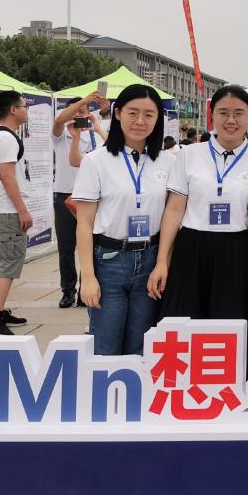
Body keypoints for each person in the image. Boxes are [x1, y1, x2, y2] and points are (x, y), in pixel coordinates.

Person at [149, 85, 248, 374]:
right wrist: (162, 261)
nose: (231, 120)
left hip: (236, 251)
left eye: (239, 113)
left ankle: (231, 386)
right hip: (192, 248)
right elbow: (174, 209)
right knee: (185, 325)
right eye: (223, 113)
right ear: (212, 116)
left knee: (232, 327)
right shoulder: (189, 155)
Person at [72, 84, 175, 356]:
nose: (140, 121)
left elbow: (171, 217)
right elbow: (84, 223)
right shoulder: (96, 161)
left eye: (149, 114)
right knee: (105, 347)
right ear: (117, 114)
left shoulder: (168, 162)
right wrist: (88, 277)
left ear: (158, 119)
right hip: (110, 261)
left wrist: (163, 263)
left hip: (151, 261)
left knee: (142, 348)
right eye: (133, 113)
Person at [51, 92, 109, 308]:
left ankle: (87, 288)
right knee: (66, 247)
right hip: (66, 194)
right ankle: (68, 290)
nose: (80, 115)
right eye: (76, 111)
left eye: (84, 111)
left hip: (93, 198)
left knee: (92, 245)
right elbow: (59, 120)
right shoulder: (62, 133)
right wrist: (84, 101)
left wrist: (98, 125)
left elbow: (114, 150)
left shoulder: (96, 133)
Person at [0, 91, 33, 336]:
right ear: (13, 109)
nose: (27, 110)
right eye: (24, 106)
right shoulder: (7, 138)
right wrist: (22, 210)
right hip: (6, 210)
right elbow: (7, 176)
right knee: (8, 262)